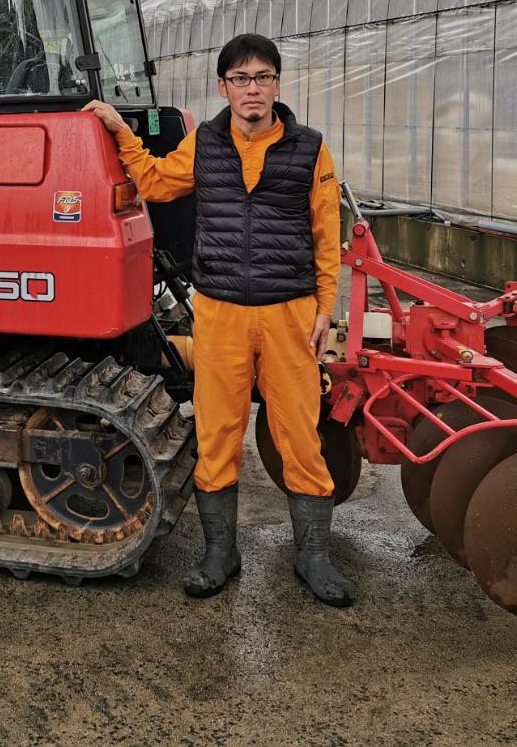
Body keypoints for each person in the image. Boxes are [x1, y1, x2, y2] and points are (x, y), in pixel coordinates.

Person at [83, 33, 353, 606]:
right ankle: (219, 553)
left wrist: (325, 309)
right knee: (218, 434)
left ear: (277, 84)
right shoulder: (205, 143)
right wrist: (118, 129)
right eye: (240, 79)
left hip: (288, 312)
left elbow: (326, 234)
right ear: (223, 87)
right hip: (221, 311)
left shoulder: (310, 148)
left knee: (299, 437)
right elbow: (154, 181)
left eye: (262, 77)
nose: (251, 89)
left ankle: (314, 558)